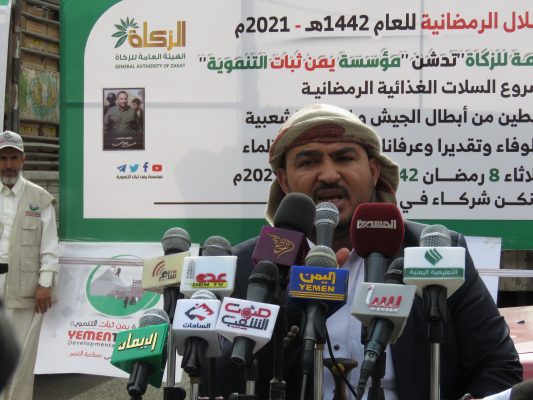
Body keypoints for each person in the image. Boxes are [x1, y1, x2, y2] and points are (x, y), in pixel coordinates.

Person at [203, 104, 523, 400]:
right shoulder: (249, 267)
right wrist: (296, 307)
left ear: (373, 171)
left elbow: (498, 367)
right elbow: (213, 382)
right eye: (309, 161)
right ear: (284, 181)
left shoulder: (434, 253)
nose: (329, 174)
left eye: (344, 158)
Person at [0, 130, 60, 400]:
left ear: (23, 160)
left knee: (20, 356)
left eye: (13, 158)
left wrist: (45, 284)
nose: (8, 164)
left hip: (24, 288)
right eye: (3, 158)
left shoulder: (40, 199)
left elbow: (50, 247)